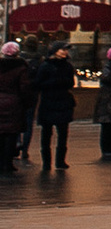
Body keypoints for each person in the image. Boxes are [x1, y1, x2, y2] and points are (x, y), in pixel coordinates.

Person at [33, 39, 76, 176]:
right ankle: (46, 162)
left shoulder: (68, 66)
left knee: (63, 133)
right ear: (55, 51)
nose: (65, 52)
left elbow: (71, 82)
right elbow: (38, 84)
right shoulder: (45, 66)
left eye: (66, 50)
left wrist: (64, 82)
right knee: (46, 134)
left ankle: (60, 161)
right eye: (62, 49)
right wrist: (54, 82)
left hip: (63, 102)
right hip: (49, 102)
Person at [0, 42, 27, 177]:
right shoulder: (21, 68)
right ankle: (8, 163)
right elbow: (24, 88)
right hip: (14, 103)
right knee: (11, 134)